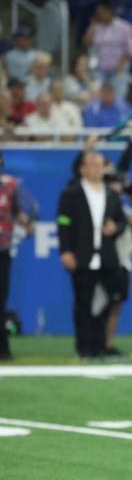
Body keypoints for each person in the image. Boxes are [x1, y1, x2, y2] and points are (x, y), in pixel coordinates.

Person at [56, 150, 128, 359]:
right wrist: (66, 251)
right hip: (82, 256)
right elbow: (63, 224)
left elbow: (122, 221)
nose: (98, 169)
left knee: (105, 303)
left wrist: (116, 227)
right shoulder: (71, 193)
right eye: (93, 165)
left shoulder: (112, 194)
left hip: (107, 257)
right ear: (82, 168)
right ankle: (84, 348)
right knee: (83, 304)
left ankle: (101, 346)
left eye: (100, 165)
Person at [0, 151, 33, 360]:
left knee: (1, 300)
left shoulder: (9, 185)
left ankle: (3, 348)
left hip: (3, 249)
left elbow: (19, 211)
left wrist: (25, 222)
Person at [82, 0, 132, 101]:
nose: (101, 15)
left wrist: (121, 64)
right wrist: (92, 28)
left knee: (118, 97)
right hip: (99, 69)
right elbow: (86, 44)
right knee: (95, 95)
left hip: (118, 68)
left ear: (110, 12)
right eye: (99, 13)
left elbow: (131, 50)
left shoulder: (124, 27)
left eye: (103, 13)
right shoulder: (96, 27)